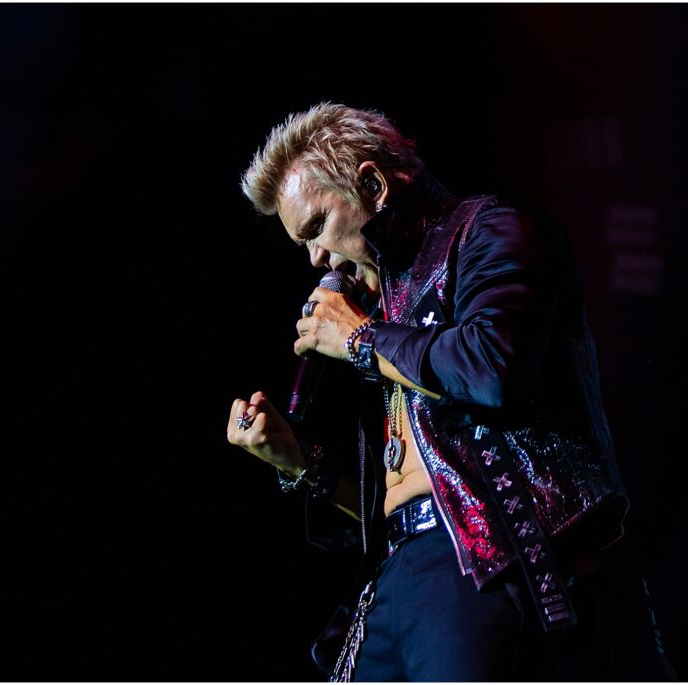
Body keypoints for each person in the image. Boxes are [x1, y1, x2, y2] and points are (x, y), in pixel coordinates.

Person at [227, 102, 630, 682]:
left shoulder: (489, 230)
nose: (315, 259)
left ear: (372, 184)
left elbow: (493, 367)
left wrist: (362, 340)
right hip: (397, 572)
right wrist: (297, 462)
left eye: (316, 227)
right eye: (302, 244)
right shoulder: (384, 313)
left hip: (484, 558)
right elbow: (394, 496)